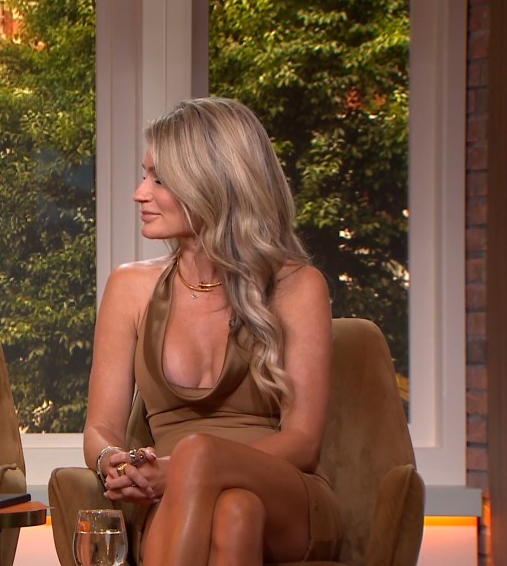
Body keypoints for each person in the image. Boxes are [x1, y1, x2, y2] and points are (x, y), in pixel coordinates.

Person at [83, 98, 342, 565]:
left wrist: (184, 467)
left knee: (199, 456)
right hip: (170, 500)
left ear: (213, 183)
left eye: (159, 179)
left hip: (284, 491)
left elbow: (304, 441)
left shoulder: (297, 286)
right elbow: (101, 428)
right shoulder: (130, 287)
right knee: (235, 512)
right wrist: (114, 462)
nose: (140, 193)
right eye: (145, 175)